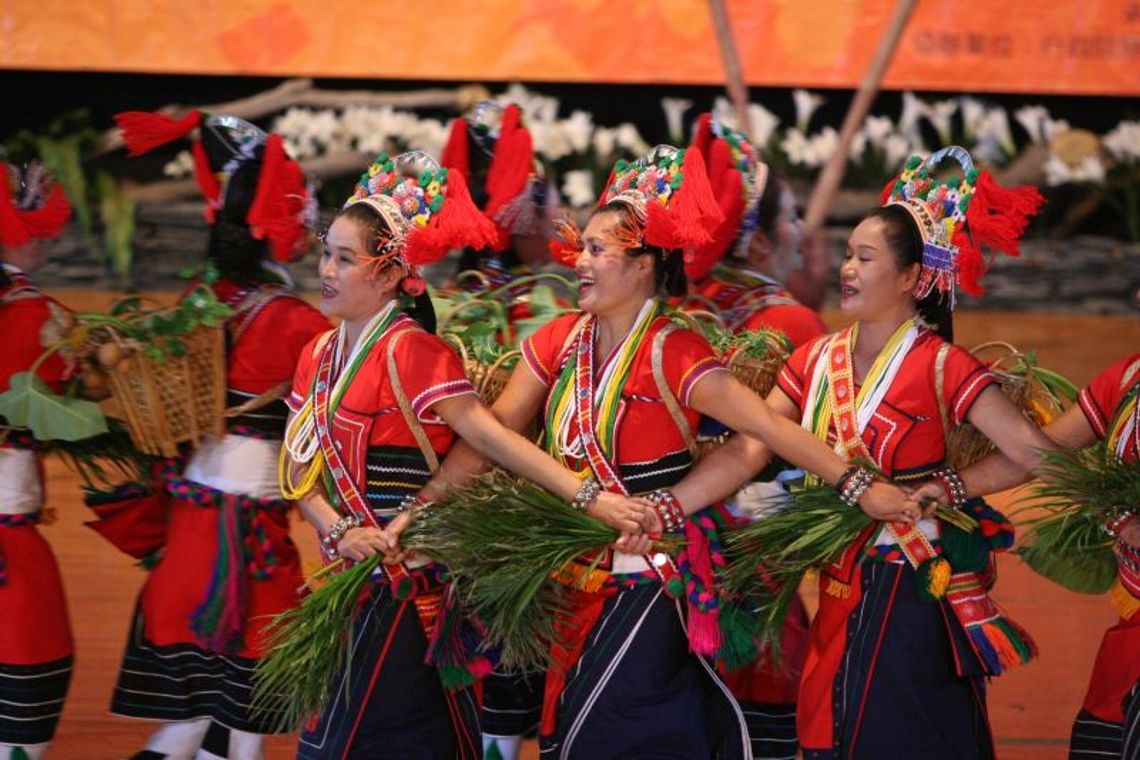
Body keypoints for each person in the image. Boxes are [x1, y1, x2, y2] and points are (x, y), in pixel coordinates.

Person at [418, 144, 921, 759]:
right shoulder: (559, 340)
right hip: (569, 579)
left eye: (597, 250)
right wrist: (422, 508)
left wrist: (858, 487)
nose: (580, 261)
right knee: (567, 732)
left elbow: (764, 430)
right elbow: (489, 436)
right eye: (582, 248)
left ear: (643, 265)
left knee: (617, 734)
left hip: (647, 578)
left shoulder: (672, 351)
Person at [280, 150, 652, 759]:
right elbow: (298, 472)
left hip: (405, 577)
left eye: (345, 259)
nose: (326, 270)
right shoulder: (317, 355)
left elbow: (494, 439)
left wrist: (589, 497)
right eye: (327, 253)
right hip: (347, 575)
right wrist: (339, 531)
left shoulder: (414, 353)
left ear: (389, 274)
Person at [750, 147, 1054, 758]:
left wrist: (951, 487)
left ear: (913, 278)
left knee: (896, 730)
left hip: (911, 585)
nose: (847, 269)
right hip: (838, 577)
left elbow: (1032, 453)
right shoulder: (816, 359)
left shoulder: (943, 365)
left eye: (865, 258)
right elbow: (756, 437)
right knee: (830, 721)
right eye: (847, 255)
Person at [106, 110, 332, 760]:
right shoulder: (297, 326)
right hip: (247, 543)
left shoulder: (197, 308)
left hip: (189, 534)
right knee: (233, 719)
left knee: (201, 723)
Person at [949, 351, 1140, 758]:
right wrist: (941, 488)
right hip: (1132, 630)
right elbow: (1038, 454)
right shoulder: (1128, 378)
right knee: (1099, 741)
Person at [441, 100, 549, 760]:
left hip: (447, 514)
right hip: (522, 516)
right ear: (523, 207)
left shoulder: (442, 306)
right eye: (545, 199)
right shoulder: (549, 311)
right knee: (507, 667)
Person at [0, 161, 73, 760]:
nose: (46, 241)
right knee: (30, 666)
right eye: (37, 229)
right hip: (10, 543)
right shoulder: (37, 318)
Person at [687, 113, 826, 349]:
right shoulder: (794, 324)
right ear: (759, 241)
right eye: (792, 217)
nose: (801, 228)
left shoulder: (692, 304)